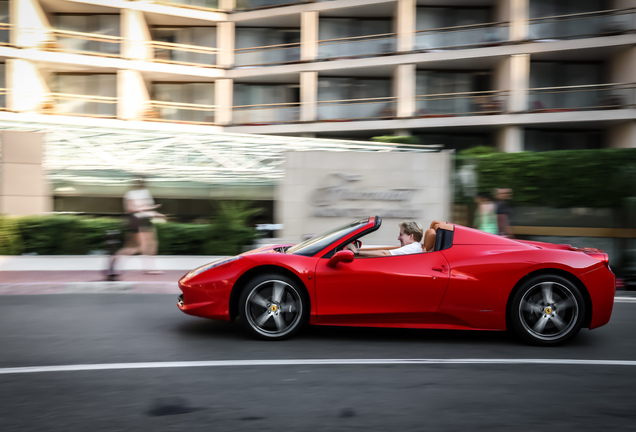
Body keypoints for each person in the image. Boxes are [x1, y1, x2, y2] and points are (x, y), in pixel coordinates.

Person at [106, 178, 164, 280]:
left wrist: (155, 213)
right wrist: (150, 208)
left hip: (143, 221)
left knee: (150, 245)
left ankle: (148, 268)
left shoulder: (144, 192)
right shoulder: (131, 193)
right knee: (137, 247)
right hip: (137, 221)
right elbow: (131, 209)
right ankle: (114, 261)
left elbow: (142, 210)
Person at [346, 221, 423, 257]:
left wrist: (357, 251)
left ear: (411, 236)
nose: (398, 238)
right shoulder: (414, 247)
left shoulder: (412, 248)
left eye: (401, 235)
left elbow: (385, 253)